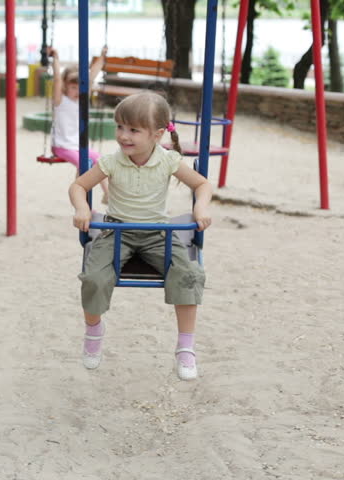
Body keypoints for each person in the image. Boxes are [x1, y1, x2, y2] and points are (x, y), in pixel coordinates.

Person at [68, 91, 213, 381]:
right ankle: (94, 330)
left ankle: (185, 345)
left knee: (188, 274)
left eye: (133, 130)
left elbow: (202, 184)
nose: (124, 136)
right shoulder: (111, 162)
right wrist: (83, 208)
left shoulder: (169, 161)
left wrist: (201, 208)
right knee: (94, 278)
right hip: (116, 229)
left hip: (157, 232)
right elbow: (78, 186)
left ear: (157, 134)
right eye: (120, 127)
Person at [49, 47, 109, 197]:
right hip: (62, 146)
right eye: (73, 87)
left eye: (79, 87)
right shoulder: (60, 101)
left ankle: (108, 194)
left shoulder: (82, 100)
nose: (77, 91)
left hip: (78, 145)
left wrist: (102, 57)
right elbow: (57, 79)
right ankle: (81, 200)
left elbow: (92, 76)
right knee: (85, 164)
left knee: (102, 162)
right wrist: (55, 59)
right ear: (65, 86)